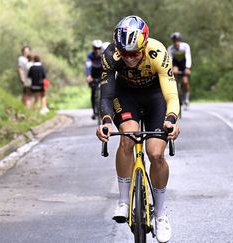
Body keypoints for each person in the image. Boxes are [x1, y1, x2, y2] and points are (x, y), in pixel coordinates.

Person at [95, 16, 180, 243]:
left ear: (144, 46)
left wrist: (171, 120)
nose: (130, 58)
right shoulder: (110, 55)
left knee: (156, 153)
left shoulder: (158, 52)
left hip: (154, 98)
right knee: (127, 138)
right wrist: (104, 122)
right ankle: (123, 201)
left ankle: (161, 215)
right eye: (125, 53)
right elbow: (106, 95)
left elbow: (171, 94)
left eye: (135, 53)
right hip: (126, 97)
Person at [167, 32, 192, 110]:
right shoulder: (170, 48)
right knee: (174, 71)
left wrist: (188, 68)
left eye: (177, 40)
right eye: (174, 41)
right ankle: (175, 87)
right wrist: (170, 70)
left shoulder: (185, 46)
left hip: (184, 64)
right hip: (176, 63)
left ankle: (186, 99)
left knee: (185, 82)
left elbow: (188, 57)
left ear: (180, 40)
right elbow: (170, 60)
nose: (176, 42)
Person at [86, 39, 104, 120]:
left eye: (99, 48)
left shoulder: (103, 55)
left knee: (105, 92)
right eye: (95, 48)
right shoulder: (90, 55)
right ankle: (94, 111)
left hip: (102, 75)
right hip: (93, 76)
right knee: (93, 93)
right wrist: (88, 75)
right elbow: (88, 66)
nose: (97, 50)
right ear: (93, 49)